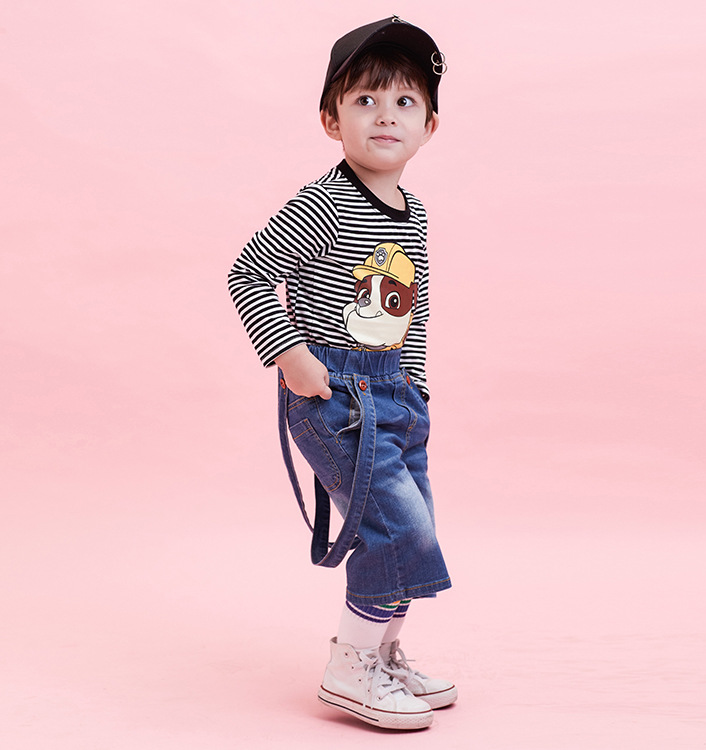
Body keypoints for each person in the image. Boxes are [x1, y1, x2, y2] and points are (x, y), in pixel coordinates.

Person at [228, 16, 455, 730]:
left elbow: (412, 309)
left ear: (429, 126)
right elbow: (248, 274)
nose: (385, 115)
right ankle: (349, 667)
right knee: (395, 529)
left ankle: (383, 653)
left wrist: (416, 384)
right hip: (335, 396)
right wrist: (289, 354)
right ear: (332, 120)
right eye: (364, 100)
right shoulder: (325, 203)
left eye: (404, 102)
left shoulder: (414, 213)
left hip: (396, 394)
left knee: (415, 525)